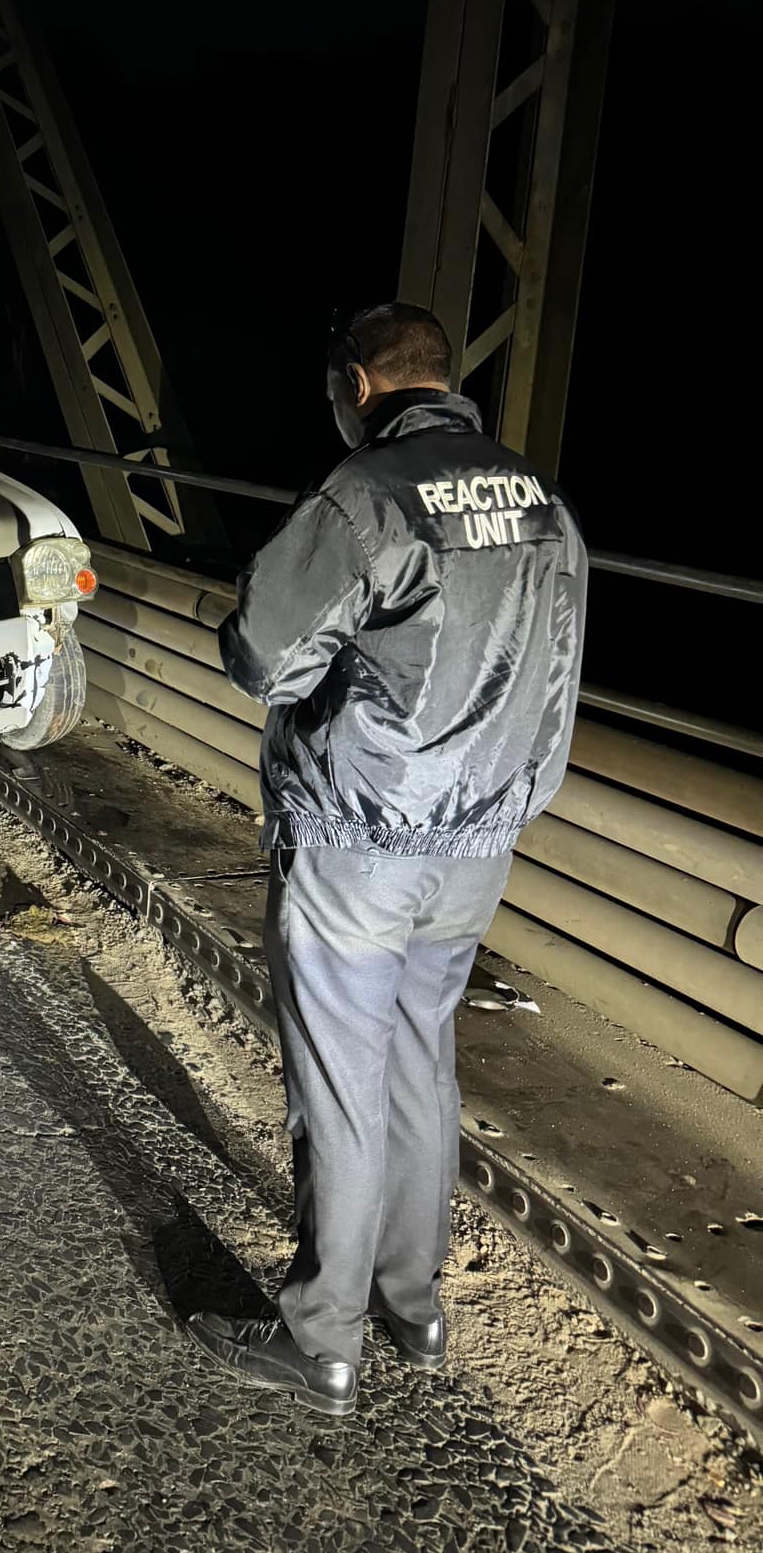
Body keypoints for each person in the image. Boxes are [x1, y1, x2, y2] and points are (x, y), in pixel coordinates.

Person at [188, 302, 587, 1417]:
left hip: (361, 835)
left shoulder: (367, 496)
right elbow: (558, 674)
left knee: (342, 1087)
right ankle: (413, 1309)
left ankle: (322, 1341)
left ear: (359, 385)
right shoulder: (542, 499)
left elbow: (265, 656)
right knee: (421, 1064)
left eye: (335, 394)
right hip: (477, 843)